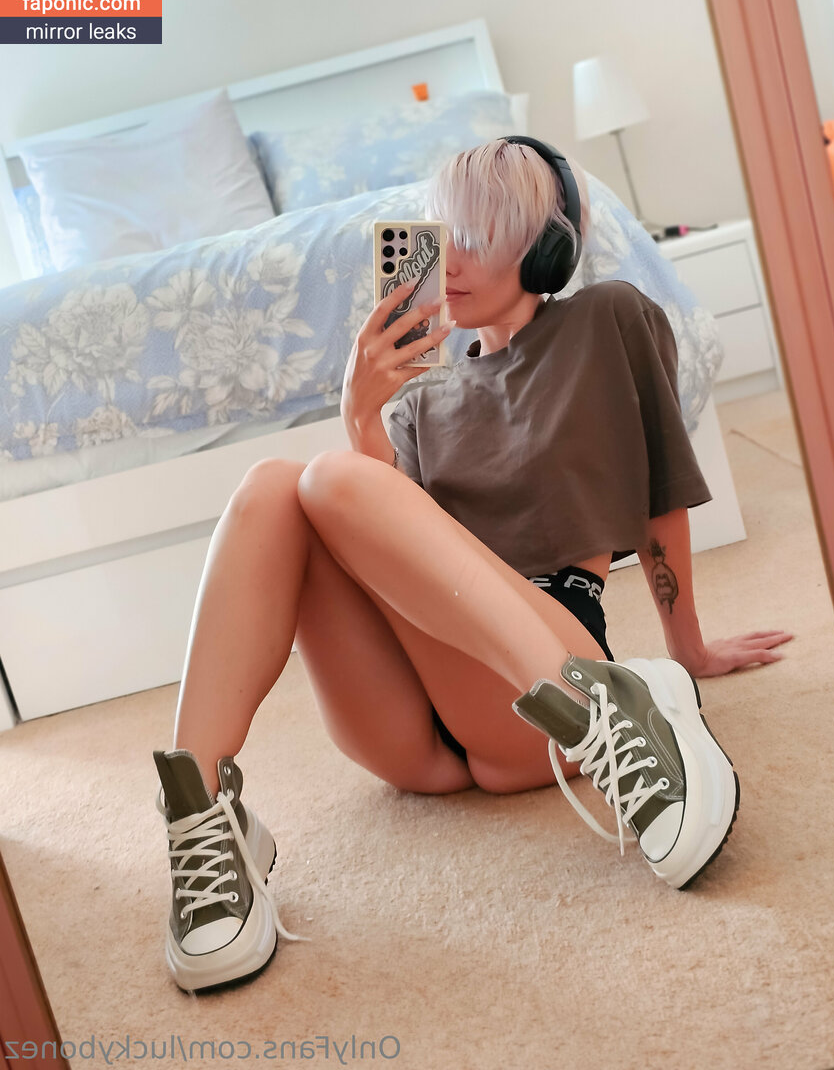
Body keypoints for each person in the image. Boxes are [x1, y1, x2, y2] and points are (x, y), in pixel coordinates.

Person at [153, 136, 791, 994]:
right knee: (276, 485)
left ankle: (606, 711)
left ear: (545, 249)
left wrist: (688, 648)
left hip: (535, 688)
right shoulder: (421, 398)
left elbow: (658, 492)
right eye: (440, 236)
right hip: (411, 738)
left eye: (478, 237)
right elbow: (389, 556)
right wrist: (361, 417)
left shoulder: (604, 320)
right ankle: (199, 816)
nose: (448, 262)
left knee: (327, 478)